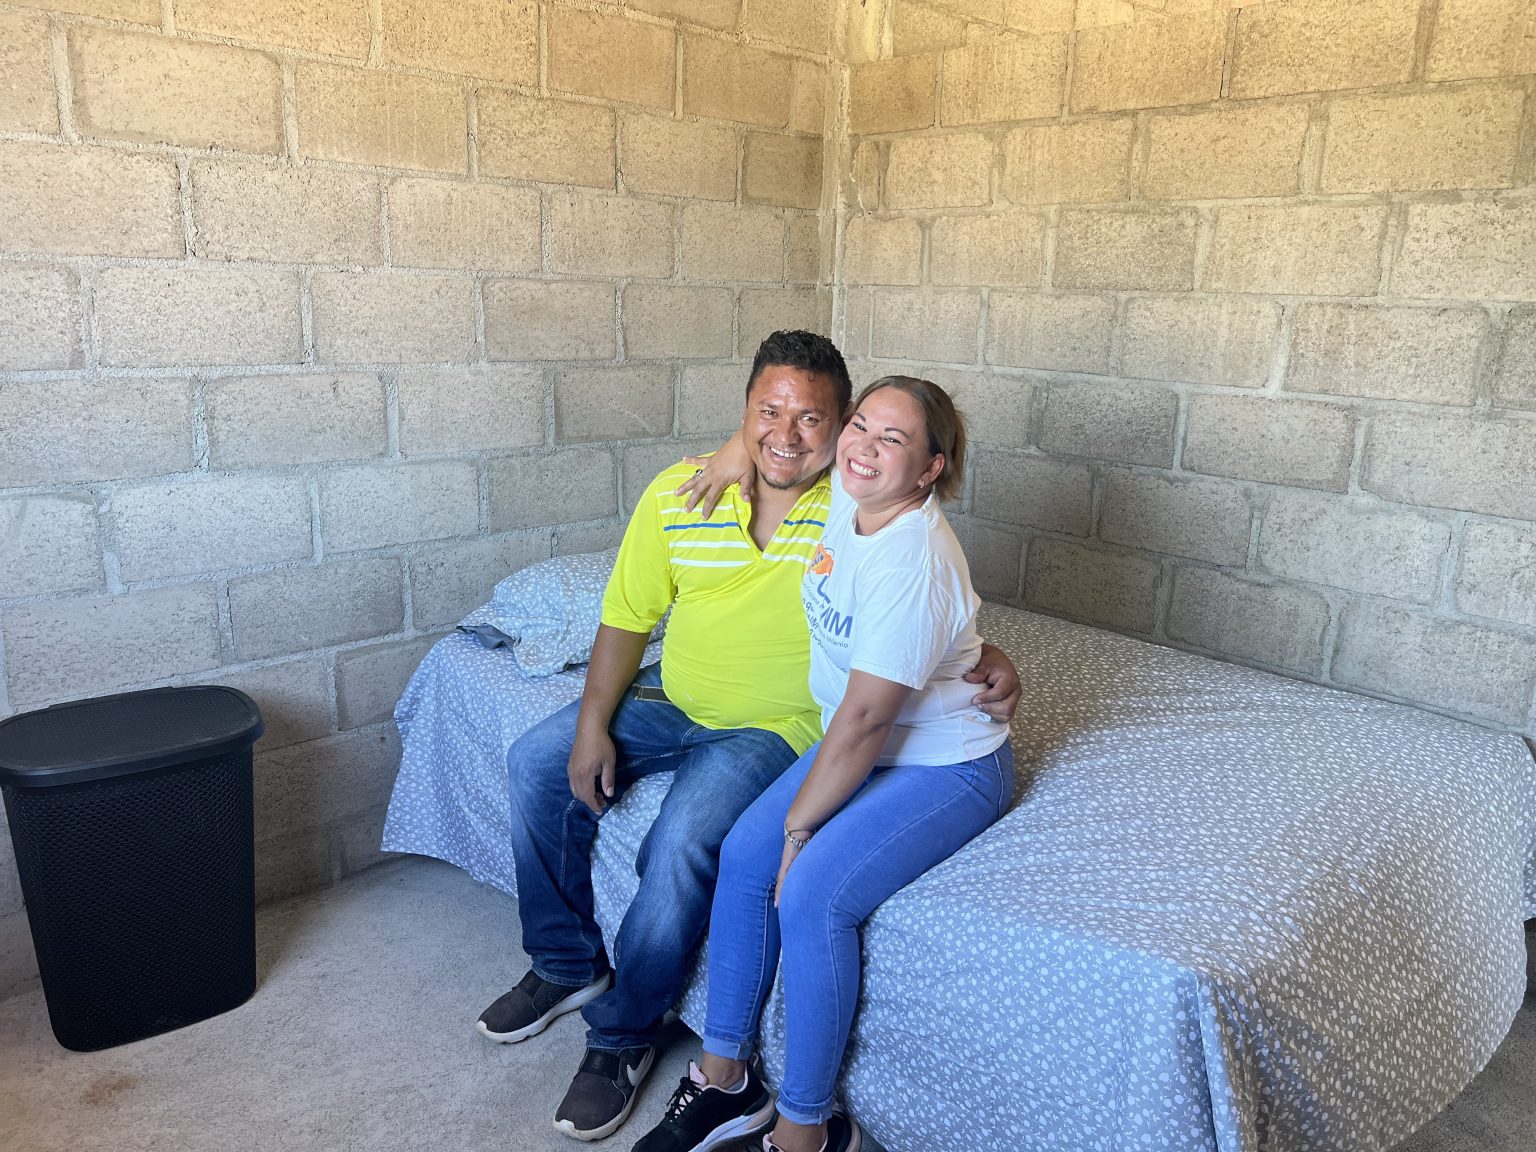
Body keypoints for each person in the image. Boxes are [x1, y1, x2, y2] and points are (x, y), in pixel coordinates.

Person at [476, 334, 1022, 1143]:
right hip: (683, 697)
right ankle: (575, 971)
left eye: (815, 420)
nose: (789, 435)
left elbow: (915, 606)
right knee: (539, 763)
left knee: (693, 843)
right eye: (768, 414)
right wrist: (592, 725)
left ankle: (631, 1038)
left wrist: (985, 653)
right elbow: (626, 615)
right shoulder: (724, 492)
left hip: (794, 727)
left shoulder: (848, 501)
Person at [632, 377, 1014, 1152]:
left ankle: (806, 1128)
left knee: (807, 894)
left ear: (932, 468)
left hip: (943, 764)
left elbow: (869, 719)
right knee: (744, 853)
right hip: (862, 737)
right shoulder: (849, 492)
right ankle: (725, 1078)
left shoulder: (914, 556)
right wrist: (735, 451)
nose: (864, 447)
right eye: (860, 426)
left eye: (892, 439)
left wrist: (800, 829)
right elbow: (783, 437)